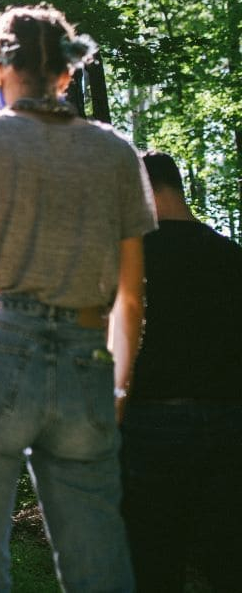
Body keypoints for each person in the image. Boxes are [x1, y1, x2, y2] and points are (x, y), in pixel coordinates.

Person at [0, 4, 156, 591]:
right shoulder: (117, 152)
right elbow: (131, 297)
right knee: (98, 563)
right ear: (66, 76)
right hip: (86, 359)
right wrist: (117, 388)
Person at [119, 151, 242, 592]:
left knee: (152, 563)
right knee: (229, 562)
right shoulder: (231, 256)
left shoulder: (128, 261)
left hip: (151, 426)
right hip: (231, 426)